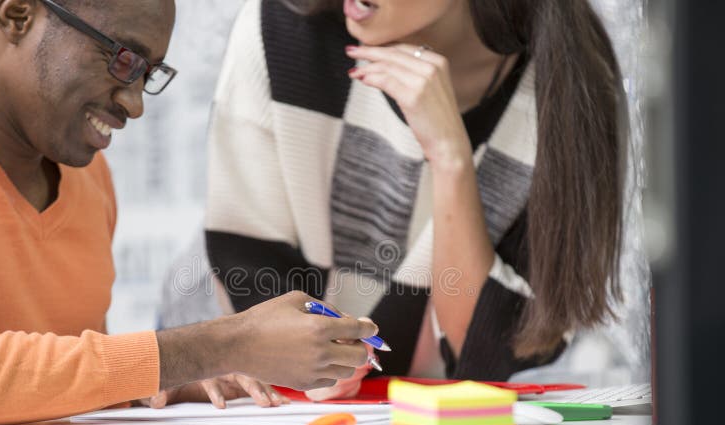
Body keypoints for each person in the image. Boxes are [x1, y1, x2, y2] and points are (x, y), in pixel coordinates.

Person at [0, 0, 379, 425]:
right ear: (17, 15)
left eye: (149, 74)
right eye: (123, 59)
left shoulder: (88, 180)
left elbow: (48, 388)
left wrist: (163, 385)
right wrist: (216, 346)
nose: (135, 104)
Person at [203, 0, 649, 398]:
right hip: (261, 409)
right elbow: (249, 278)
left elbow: (484, 348)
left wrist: (449, 154)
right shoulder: (278, 28)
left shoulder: (568, 79)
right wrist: (314, 356)